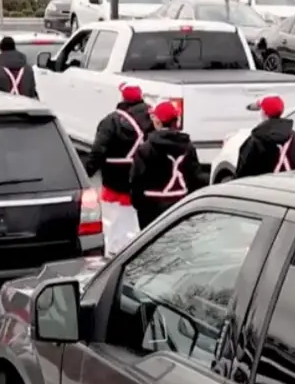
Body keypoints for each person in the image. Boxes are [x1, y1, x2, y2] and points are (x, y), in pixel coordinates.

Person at [84, 83, 155, 255]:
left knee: (116, 217)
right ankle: (138, 246)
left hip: (116, 176)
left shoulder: (111, 121)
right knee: (138, 216)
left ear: (123, 98)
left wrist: (87, 174)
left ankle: (116, 250)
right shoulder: (153, 118)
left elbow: (99, 150)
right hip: (143, 174)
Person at [129, 101, 207, 229]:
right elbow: (195, 178)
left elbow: (136, 181)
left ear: (158, 122)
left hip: (151, 208)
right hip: (180, 205)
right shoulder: (188, 146)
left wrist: (139, 206)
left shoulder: (146, 148)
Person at [236, 95, 295, 179]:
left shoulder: (255, 140)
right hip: (289, 189)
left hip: (263, 189)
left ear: (264, 113)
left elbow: (243, 173)